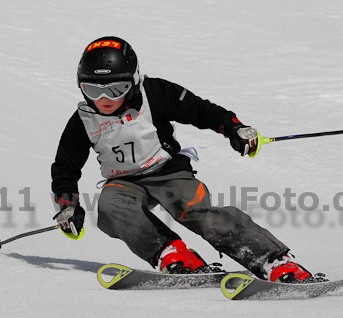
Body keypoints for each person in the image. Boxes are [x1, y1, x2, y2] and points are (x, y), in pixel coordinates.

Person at [51, 36, 324, 283]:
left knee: (198, 212)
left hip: (168, 172)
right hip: (123, 182)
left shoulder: (155, 93)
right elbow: (65, 166)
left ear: (134, 81)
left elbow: (201, 110)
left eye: (116, 89)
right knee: (111, 208)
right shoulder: (83, 121)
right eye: (92, 89)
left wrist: (234, 128)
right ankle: (172, 255)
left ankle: (273, 261)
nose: (104, 100)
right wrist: (67, 205)